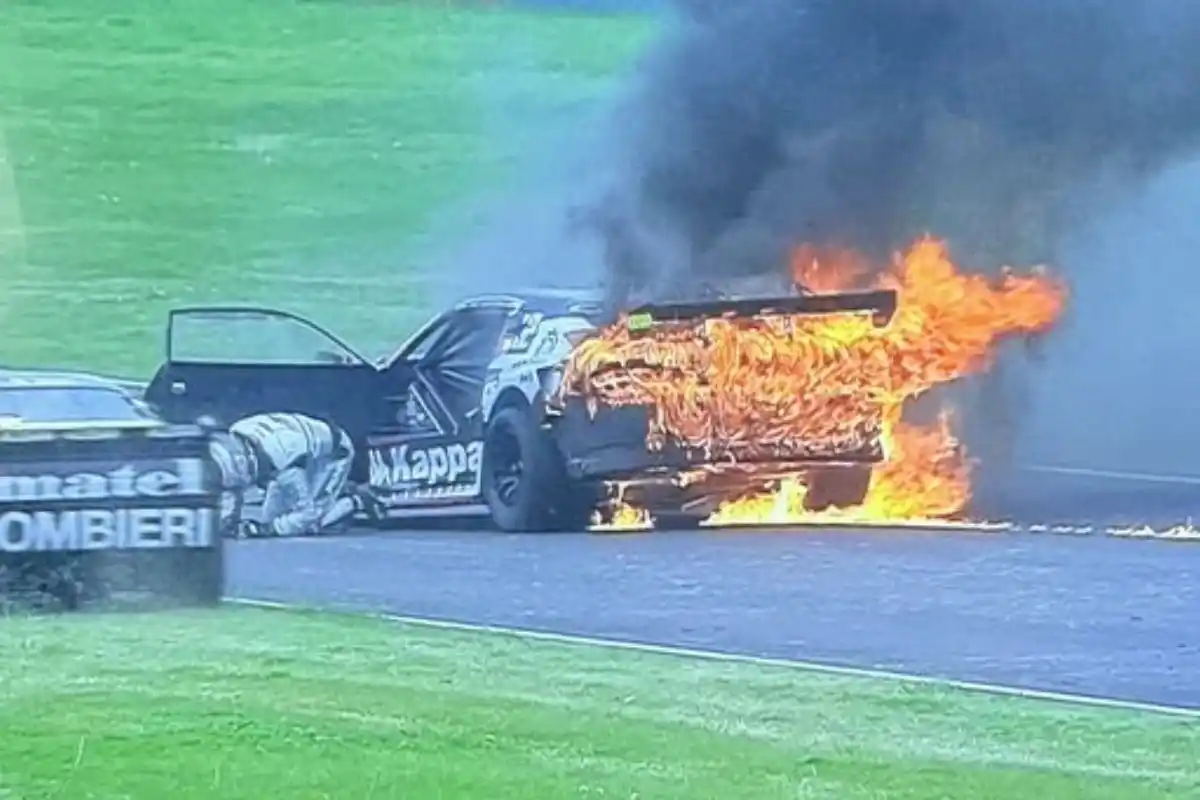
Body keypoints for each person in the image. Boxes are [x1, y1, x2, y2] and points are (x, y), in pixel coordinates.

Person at [209, 412, 382, 538]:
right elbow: (232, 489)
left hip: (333, 455)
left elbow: (307, 514)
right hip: (298, 453)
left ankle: (355, 499)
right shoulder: (238, 433)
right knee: (271, 518)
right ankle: (339, 490)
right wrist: (227, 521)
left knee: (313, 524)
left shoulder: (283, 460)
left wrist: (268, 530)